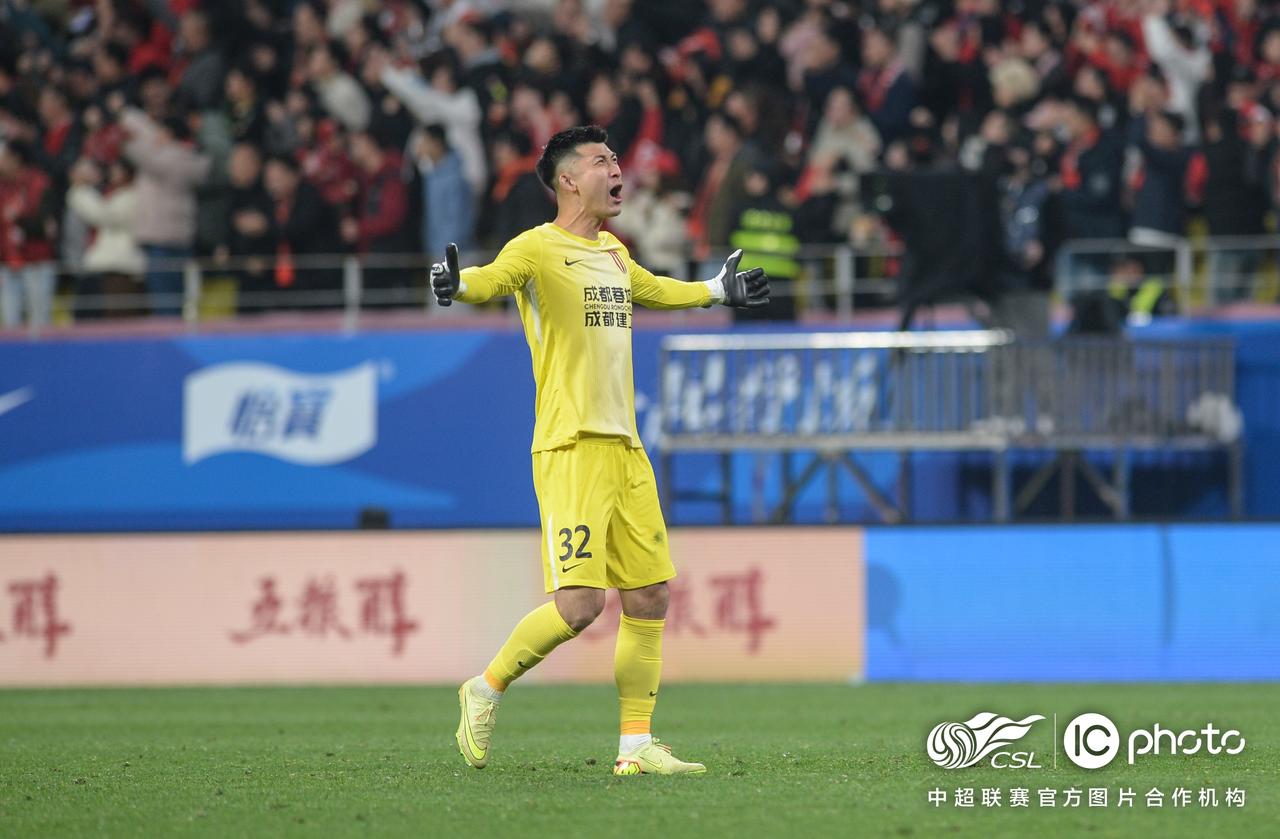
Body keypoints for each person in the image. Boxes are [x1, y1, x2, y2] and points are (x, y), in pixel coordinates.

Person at [431, 125, 769, 776]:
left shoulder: (614, 251)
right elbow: (490, 279)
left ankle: (635, 746)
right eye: (600, 161)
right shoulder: (536, 248)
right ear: (567, 180)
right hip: (572, 444)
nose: (616, 169)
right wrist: (456, 283)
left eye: (616, 159)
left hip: (625, 444)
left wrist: (715, 291)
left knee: (649, 594)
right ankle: (485, 687)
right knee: (580, 606)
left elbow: (654, 288)